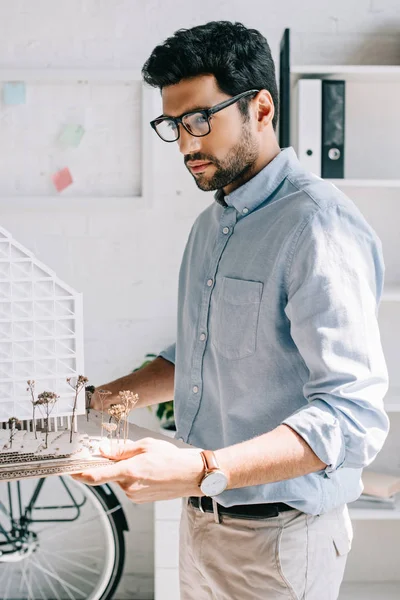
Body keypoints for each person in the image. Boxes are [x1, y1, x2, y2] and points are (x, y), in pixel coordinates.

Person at [73, 21, 390, 599]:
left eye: (199, 120)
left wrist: (199, 468)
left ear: (261, 108)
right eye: (173, 125)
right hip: (203, 526)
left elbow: (352, 417)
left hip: (282, 541)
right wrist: (98, 405)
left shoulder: (318, 225)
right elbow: (195, 356)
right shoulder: (211, 224)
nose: (186, 143)